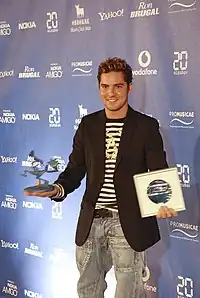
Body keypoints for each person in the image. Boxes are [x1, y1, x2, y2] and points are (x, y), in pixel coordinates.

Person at [25, 57, 177, 298]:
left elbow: (158, 171)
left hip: (128, 224)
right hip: (91, 221)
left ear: (129, 87)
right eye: (105, 87)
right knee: (88, 291)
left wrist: (162, 201)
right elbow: (75, 169)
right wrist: (57, 189)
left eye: (117, 86)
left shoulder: (146, 126)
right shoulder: (88, 125)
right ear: (99, 88)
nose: (111, 93)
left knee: (128, 293)